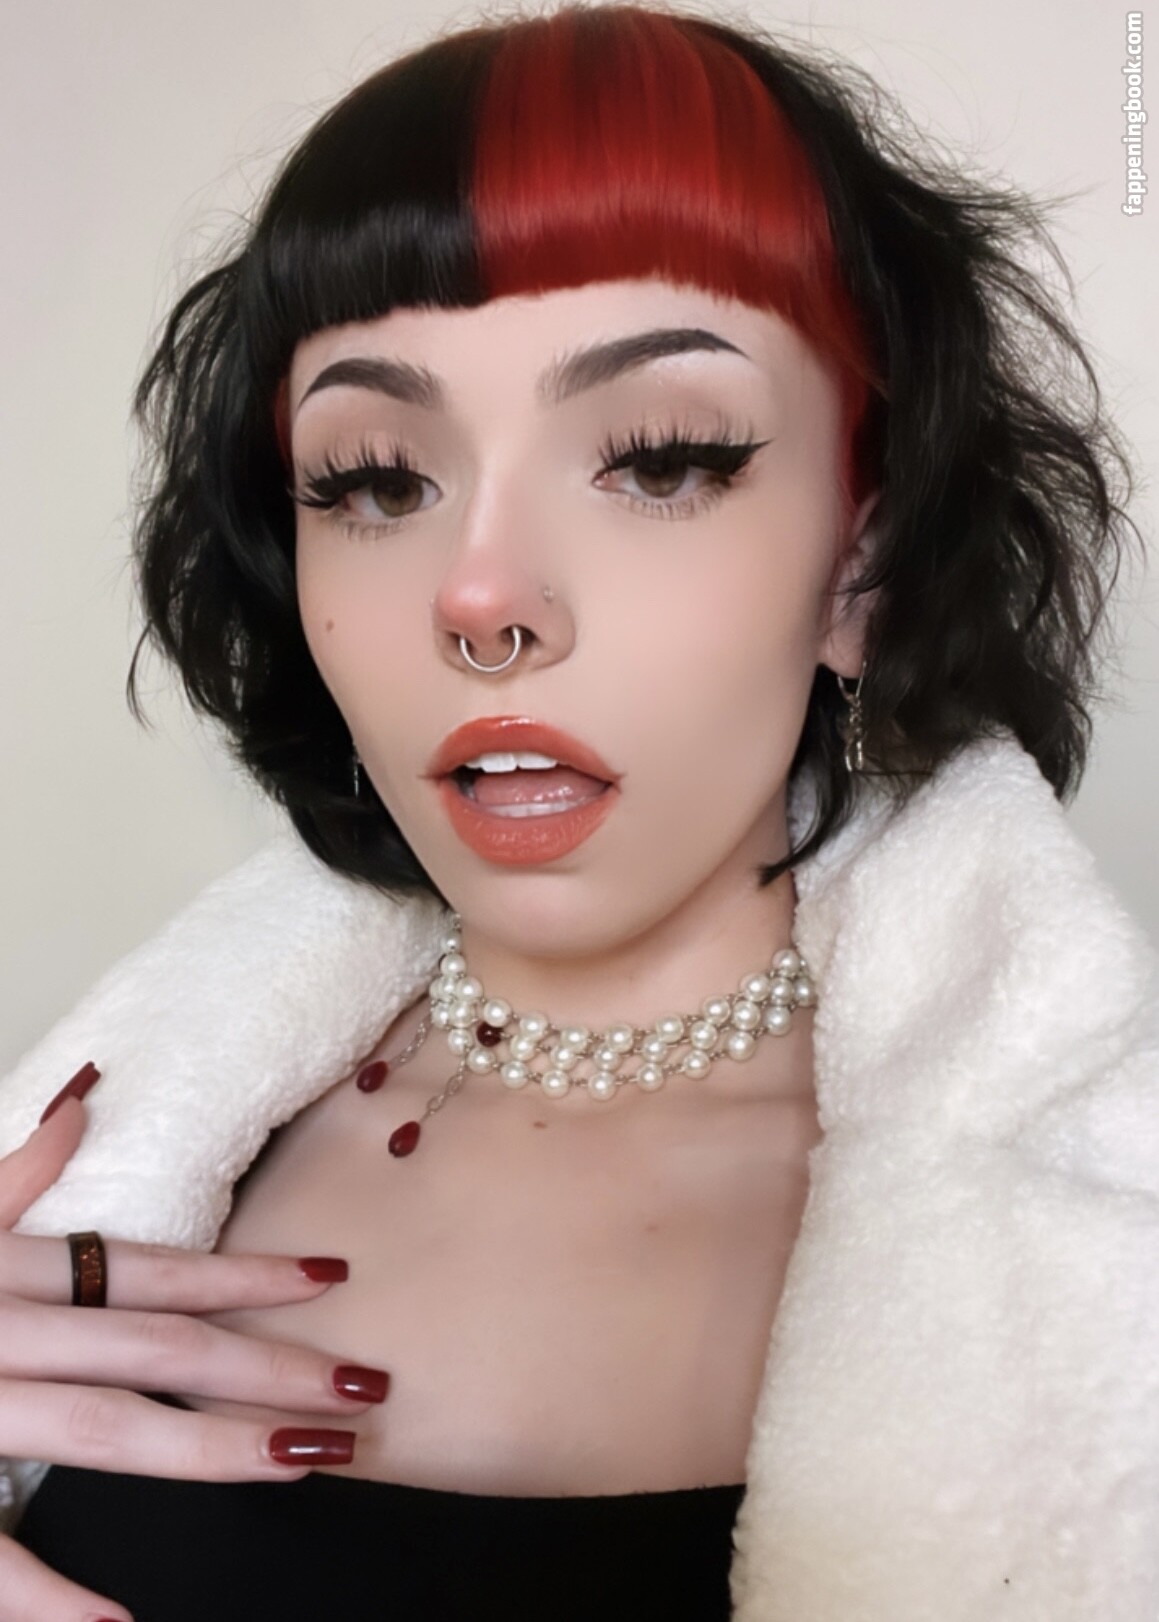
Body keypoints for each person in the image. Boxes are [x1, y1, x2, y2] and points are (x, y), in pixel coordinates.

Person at [1, 3, 1156, 1618]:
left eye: (662, 459)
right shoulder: (122, 1144)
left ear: (863, 564)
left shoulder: (1106, 1258)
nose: (481, 597)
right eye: (376, 479)